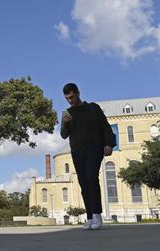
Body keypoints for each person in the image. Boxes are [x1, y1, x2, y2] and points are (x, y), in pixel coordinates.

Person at [60, 83, 116, 230]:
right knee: (83, 183)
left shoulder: (93, 108)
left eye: (72, 97)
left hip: (94, 148)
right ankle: (90, 217)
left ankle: (97, 214)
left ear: (78, 93)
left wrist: (109, 144)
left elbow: (105, 126)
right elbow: (64, 135)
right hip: (77, 151)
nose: (70, 100)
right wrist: (65, 124)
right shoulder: (67, 113)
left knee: (91, 178)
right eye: (67, 98)